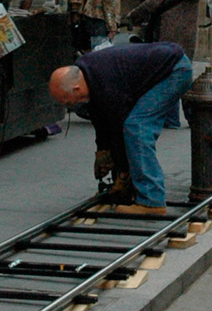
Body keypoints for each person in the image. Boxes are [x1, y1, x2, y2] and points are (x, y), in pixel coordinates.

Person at [48, 42, 194, 217]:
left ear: (76, 88)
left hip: (174, 71)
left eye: (66, 100)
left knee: (137, 127)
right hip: (162, 65)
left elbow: (118, 126)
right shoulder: (88, 75)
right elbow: (100, 120)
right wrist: (102, 152)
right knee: (132, 127)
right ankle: (137, 188)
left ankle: (152, 201)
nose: (67, 106)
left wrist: (123, 172)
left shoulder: (106, 83)